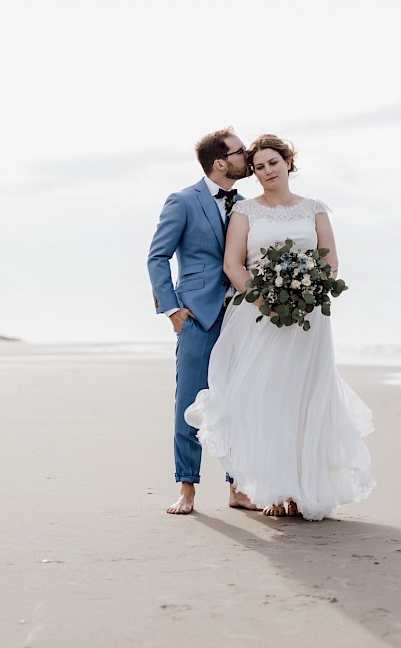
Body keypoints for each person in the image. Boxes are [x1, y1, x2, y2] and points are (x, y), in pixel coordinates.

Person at [185, 134, 375, 520]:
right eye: (258, 167)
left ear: (288, 163)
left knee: (305, 399)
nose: (267, 171)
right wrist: (266, 301)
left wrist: (309, 294)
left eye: (273, 162)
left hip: (310, 321)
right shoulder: (246, 213)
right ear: (253, 174)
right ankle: (273, 488)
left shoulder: (315, 209)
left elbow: (331, 262)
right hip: (259, 319)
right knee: (267, 400)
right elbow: (233, 266)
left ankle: (302, 490)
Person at [147, 127, 259, 515]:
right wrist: (172, 309)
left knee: (239, 402)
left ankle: (237, 487)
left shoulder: (247, 204)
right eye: (240, 152)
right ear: (219, 162)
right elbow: (157, 256)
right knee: (190, 402)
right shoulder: (182, 201)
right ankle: (187, 488)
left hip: (242, 317)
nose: (248, 156)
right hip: (197, 316)